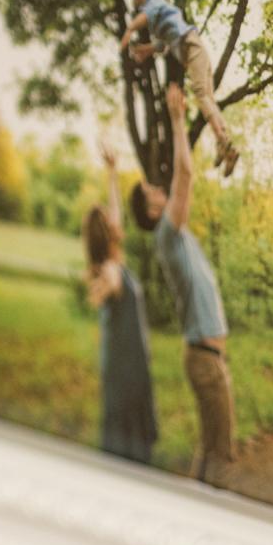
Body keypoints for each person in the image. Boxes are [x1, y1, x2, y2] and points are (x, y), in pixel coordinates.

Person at [129, 83, 236, 483]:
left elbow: (182, 179)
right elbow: (185, 174)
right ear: (152, 210)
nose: (159, 189)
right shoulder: (166, 234)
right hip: (205, 359)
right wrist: (177, 119)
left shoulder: (174, 236)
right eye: (152, 191)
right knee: (220, 456)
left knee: (210, 450)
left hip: (208, 358)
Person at [119, 0, 239, 175]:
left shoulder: (154, 1)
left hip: (192, 47)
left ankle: (223, 141)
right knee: (208, 100)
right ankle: (225, 144)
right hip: (193, 48)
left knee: (201, 94)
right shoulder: (161, 14)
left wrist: (130, 29)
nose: (138, 8)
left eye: (137, 1)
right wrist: (147, 50)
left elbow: (148, 15)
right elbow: (166, 42)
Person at [82, 141, 157, 465]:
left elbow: (115, 214)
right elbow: (105, 288)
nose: (117, 221)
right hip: (124, 369)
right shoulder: (112, 271)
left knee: (129, 433)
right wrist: (101, 288)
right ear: (108, 233)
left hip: (129, 363)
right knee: (126, 442)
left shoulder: (114, 263)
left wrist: (112, 172)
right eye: (110, 221)